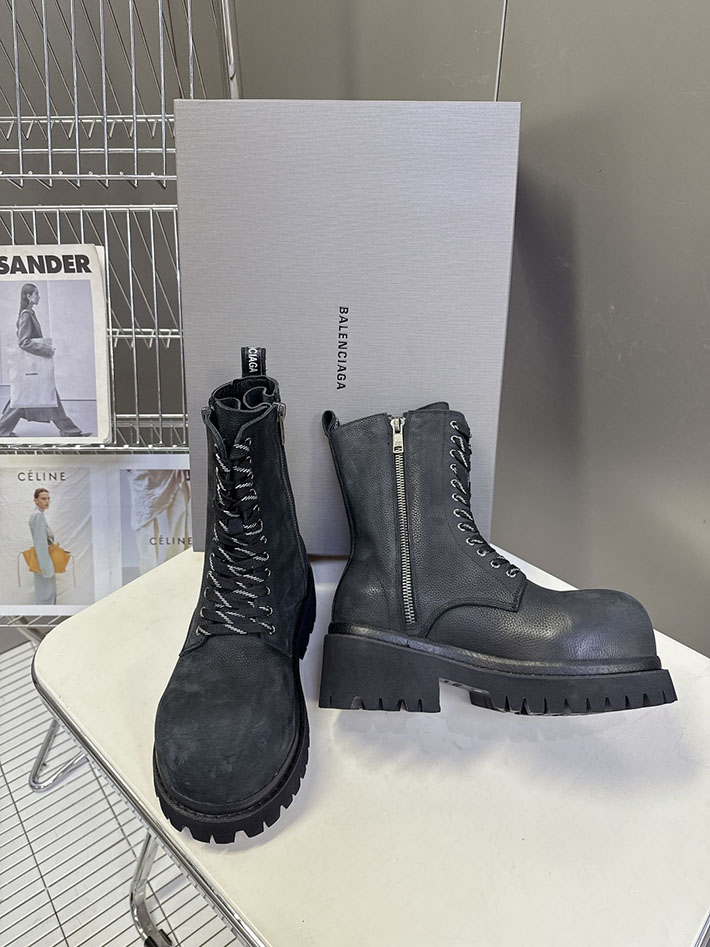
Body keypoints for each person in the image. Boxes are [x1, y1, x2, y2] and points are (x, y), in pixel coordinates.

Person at [0, 282, 85, 437]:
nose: (39, 296)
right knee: (29, 398)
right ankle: (69, 430)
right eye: (36, 294)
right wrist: (46, 349)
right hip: (33, 367)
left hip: (32, 367)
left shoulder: (30, 313)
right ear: (29, 296)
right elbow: (23, 342)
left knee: (31, 397)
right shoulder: (26, 315)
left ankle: (69, 430)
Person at [29, 488, 57, 606]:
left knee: (44, 593)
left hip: (42, 559)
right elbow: (40, 543)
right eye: (43, 499)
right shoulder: (38, 516)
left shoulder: (38, 515)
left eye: (48, 498)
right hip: (43, 561)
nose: (47, 501)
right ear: (36, 500)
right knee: (46, 595)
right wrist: (47, 568)